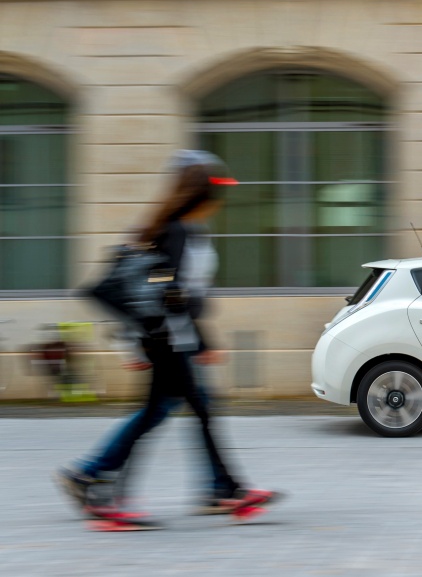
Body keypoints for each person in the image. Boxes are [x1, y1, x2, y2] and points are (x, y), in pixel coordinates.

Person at [56, 150, 279, 521]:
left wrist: (196, 337)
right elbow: (168, 294)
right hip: (168, 340)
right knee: (163, 413)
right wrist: (183, 339)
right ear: (202, 197)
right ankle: (101, 486)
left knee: (186, 410)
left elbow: (176, 293)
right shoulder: (175, 231)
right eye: (216, 193)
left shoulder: (181, 229)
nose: (219, 201)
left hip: (172, 339)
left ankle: (218, 488)